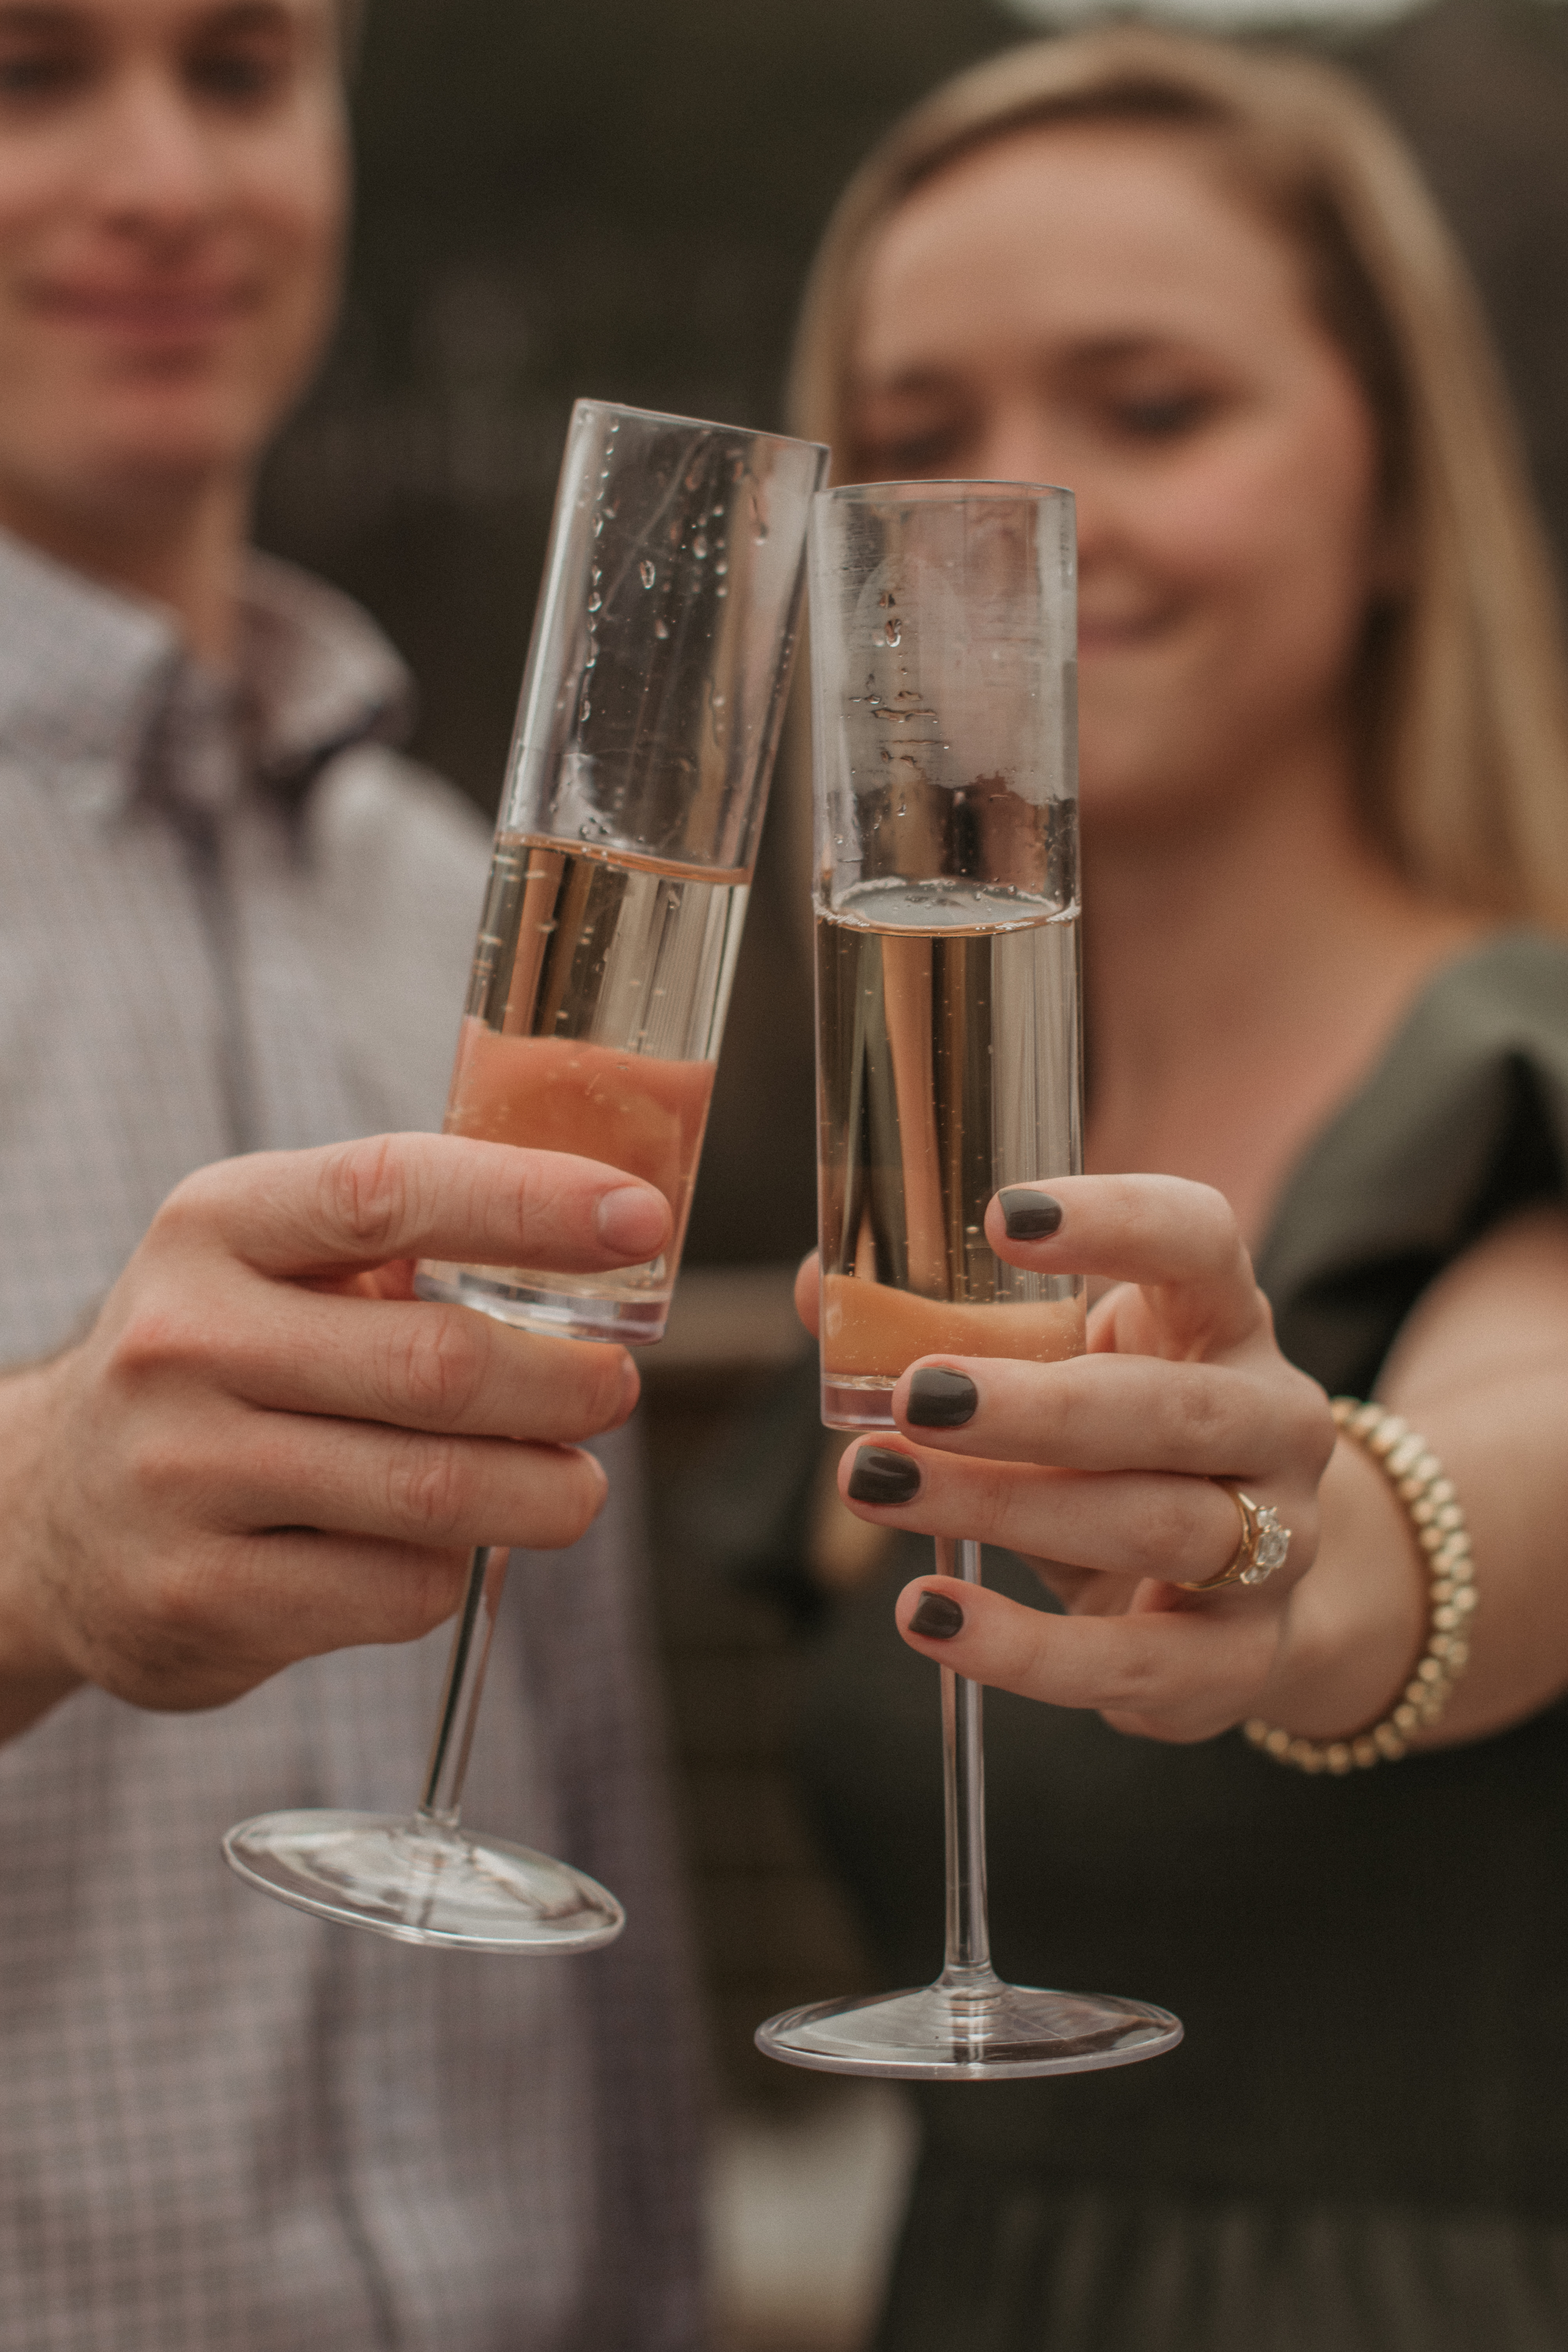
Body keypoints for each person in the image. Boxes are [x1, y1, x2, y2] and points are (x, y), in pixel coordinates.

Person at [781, 25, 1568, 2351]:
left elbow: (1525, 1445)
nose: (1028, 514)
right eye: (921, 436)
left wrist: (1313, 1568)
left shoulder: (1519, 1073)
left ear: (1406, 491)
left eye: (1151, 407)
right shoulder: (923, 1172)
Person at [0, 2, 702, 2344]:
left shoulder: (465, 903)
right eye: (26, 71)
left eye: (238, 68)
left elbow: (589, 1784)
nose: (162, 179)